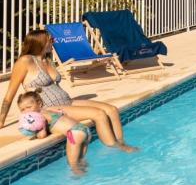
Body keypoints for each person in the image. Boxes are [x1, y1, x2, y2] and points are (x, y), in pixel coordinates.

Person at [0, 29, 138, 152]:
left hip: (66, 101)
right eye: (50, 40)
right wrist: (1, 121)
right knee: (99, 114)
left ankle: (121, 143)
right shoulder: (25, 61)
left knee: (112, 110)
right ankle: (114, 148)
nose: (53, 42)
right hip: (49, 107)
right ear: (40, 42)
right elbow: (9, 95)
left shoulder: (47, 60)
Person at [17, 91, 91, 174]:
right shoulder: (49, 110)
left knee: (73, 164)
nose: (26, 111)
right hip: (84, 130)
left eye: (28, 107)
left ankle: (78, 178)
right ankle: (85, 176)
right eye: (22, 110)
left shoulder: (39, 116)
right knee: (80, 162)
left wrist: (36, 134)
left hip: (74, 134)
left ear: (39, 104)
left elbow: (42, 135)